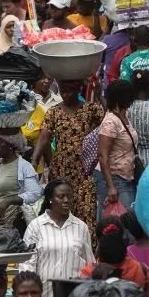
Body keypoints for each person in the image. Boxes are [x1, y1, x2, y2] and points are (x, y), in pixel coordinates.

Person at [36, 79, 101, 223]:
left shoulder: (90, 109)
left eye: (69, 91)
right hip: (61, 171)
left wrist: (99, 94)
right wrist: (34, 160)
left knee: (86, 214)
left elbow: (109, 120)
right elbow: (43, 138)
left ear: (79, 90)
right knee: (60, 215)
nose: (65, 95)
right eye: (62, 91)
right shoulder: (54, 112)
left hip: (84, 171)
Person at [25, 179, 93, 297]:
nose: (66, 200)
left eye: (70, 196)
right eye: (61, 196)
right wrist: (30, 292)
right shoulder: (36, 226)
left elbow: (89, 263)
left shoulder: (81, 227)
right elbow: (27, 263)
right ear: (50, 199)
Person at [94, 77, 141, 220]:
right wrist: (111, 186)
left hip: (125, 177)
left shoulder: (121, 117)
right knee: (120, 221)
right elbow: (103, 155)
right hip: (114, 178)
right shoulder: (111, 121)